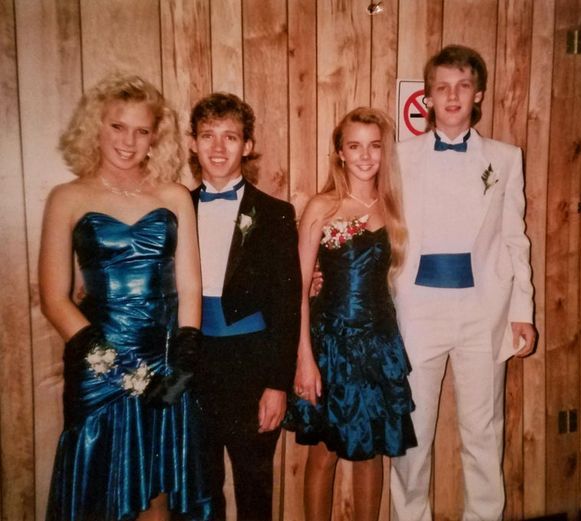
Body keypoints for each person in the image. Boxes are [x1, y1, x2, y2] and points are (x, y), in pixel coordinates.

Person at [39, 73, 211, 520]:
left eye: (141, 130)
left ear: (156, 137)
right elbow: (55, 298)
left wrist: (186, 359)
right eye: (118, 126)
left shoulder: (173, 197)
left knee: (158, 490)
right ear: (96, 126)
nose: (128, 141)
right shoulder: (67, 198)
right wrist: (115, 367)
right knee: (99, 488)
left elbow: (190, 284)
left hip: (164, 359)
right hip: (99, 364)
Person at [389, 45, 537, 521]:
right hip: (417, 312)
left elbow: (516, 240)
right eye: (442, 87)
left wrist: (522, 311)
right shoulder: (398, 157)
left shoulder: (506, 158)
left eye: (463, 85)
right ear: (428, 97)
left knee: (483, 431)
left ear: (479, 95)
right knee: (412, 433)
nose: (453, 96)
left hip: (482, 312)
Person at [283, 107, 417, 521]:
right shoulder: (322, 207)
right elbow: (298, 291)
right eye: (354, 146)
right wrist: (304, 358)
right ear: (339, 152)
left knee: (370, 452)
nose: (365, 155)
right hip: (331, 344)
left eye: (374, 146)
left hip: (378, 343)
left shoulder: (394, 203)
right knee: (324, 453)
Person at [188, 92, 301, 520]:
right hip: (195, 361)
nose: (218, 148)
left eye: (230, 137)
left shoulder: (275, 214)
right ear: (193, 143)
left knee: (254, 483)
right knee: (200, 486)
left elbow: (286, 306)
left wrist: (277, 383)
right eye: (207, 136)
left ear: (247, 145)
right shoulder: (176, 208)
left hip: (251, 364)